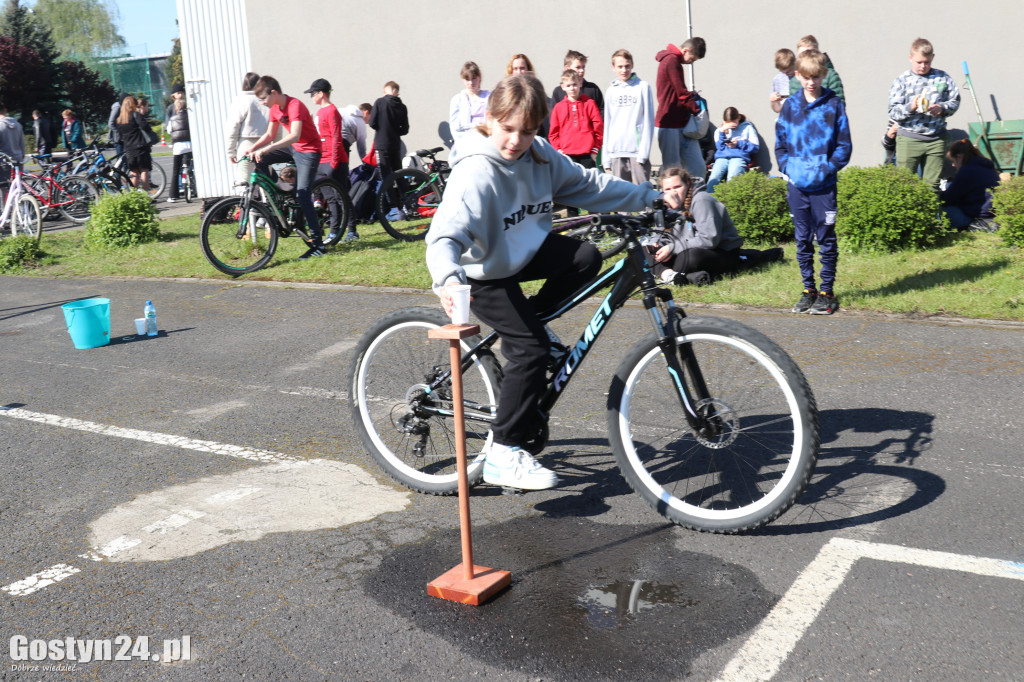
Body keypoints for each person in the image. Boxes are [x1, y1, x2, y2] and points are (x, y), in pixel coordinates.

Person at [425, 74, 683, 491]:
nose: (516, 141)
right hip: (480, 271)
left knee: (586, 257)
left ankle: (533, 327)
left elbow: (587, 184)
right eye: (508, 128)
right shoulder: (475, 172)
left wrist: (646, 196)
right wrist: (449, 281)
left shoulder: (540, 155)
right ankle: (502, 454)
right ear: (490, 118)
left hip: (519, 252)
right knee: (530, 351)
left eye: (527, 131)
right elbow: (443, 238)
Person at [775, 49, 851, 316]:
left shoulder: (834, 105)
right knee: (802, 239)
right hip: (797, 186)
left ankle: (827, 291)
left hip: (824, 187)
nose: (811, 82)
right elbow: (780, 143)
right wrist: (788, 168)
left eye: (816, 77)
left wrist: (828, 168)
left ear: (824, 75)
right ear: (797, 75)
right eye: (806, 77)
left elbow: (844, 145)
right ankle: (809, 289)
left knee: (826, 238)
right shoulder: (790, 106)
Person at [249, 75, 326, 260]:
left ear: (274, 93)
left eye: (264, 98)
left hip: (309, 151)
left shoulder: (294, 105)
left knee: (303, 194)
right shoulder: (274, 108)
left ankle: (318, 245)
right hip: (293, 149)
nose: (263, 103)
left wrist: (269, 148)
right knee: (260, 159)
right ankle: (282, 196)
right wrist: (253, 148)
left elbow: (295, 135)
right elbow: (270, 134)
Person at [648, 167, 744, 284]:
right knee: (643, 251)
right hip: (681, 249)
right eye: (667, 189)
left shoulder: (702, 200)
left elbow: (709, 240)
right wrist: (656, 245)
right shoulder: (665, 204)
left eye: (677, 187)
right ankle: (671, 275)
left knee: (689, 258)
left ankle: (667, 272)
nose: (673, 192)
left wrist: (672, 249)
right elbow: (658, 232)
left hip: (719, 251)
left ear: (688, 184)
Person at [888, 37, 960, 191]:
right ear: (910, 58)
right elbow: (893, 111)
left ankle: (930, 208)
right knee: (904, 186)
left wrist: (942, 108)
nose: (923, 66)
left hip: (936, 139)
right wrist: (911, 107)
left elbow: (955, 101)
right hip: (909, 139)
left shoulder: (942, 78)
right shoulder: (902, 81)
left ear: (932, 57)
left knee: (932, 187)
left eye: (926, 62)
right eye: (919, 62)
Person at [305, 77, 355, 243]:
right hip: (322, 160)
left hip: (335, 161)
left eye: (313, 93)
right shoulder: (320, 112)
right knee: (330, 198)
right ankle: (334, 232)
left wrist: (334, 162)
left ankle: (352, 230)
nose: (311, 97)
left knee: (341, 197)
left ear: (321, 93)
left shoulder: (332, 111)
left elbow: (335, 137)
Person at [654, 37, 706, 178]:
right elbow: (681, 93)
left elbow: (678, 92)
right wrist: (698, 111)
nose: (691, 63)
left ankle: (695, 193)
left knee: (698, 167)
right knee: (672, 171)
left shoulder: (673, 61)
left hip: (682, 124)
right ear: (685, 51)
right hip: (669, 124)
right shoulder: (671, 61)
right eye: (692, 59)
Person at [602, 49, 654, 184]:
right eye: (620, 66)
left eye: (627, 66)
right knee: (622, 192)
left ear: (632, 65)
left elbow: (648, 121)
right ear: (613, 67)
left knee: (643, 191)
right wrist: (606, 157)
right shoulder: (611, 91)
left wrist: (643, 153)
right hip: (616, 152)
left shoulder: (642, 87)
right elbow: (608, 124)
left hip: (636, 151)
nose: (624, 70)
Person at [368, 81, 409, 221]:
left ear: (384, 91)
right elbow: (405, 129)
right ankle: (408, 205)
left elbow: (372, 123)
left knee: (386, 176)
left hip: (382, 144)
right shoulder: (402, 106)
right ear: (397, 92)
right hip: (395, 144)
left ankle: (394, 209)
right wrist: (395, 131)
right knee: (399, 174)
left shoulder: (379, 102)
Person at [548, 70, 603, 169]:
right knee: (569, 179)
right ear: (563, 87)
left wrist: (595, 150)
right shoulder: (558, 107)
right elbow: (553, 133)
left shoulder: (590, 104)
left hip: (587, 154)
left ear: (580, 84)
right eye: (568, 85)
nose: (572, 88)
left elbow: (598, 128)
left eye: (574, 84)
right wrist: (559, 151)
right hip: (567, 155)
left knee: (588, 179)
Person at [940, 139, 1000, 230]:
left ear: (959, 157)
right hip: (992, 215)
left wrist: (937, 194)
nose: (953, 165)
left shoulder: (966, 171)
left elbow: (948, 199)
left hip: (976, 217)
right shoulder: (986, 166)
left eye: (953, 161)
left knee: (941, 207)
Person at [226, 72, 270, 188]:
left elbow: (233, 127)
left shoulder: (241, 100)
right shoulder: (266, 100)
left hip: (246, 145)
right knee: (266, 184)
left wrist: (231, 151)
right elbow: (275, 123)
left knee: (245, 183)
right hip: (265, 144)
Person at [706, 107, 759, 192]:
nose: (732, 127)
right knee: (714, 178)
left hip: (739, 157)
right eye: (728, 123)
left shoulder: (747, 128)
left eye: (734, 123)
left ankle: (730, 199)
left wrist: (738, 143)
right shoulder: (719, 130)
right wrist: (722, 132)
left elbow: (755, 147)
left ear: (738, 118)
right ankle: (708, 198)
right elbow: (720, 148)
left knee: (732, 178)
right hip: (722, 158)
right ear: (724, 121)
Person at [114, 95, 155, 193]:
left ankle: (134, 194)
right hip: (141, 147)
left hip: (129, 149)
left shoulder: (120, 120)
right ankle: (145, 195)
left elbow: (120, 136)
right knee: (144, 171)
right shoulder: (135, 115)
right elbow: (145, 127)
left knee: (134, 172)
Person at [787, 35, 845, 103]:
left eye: (810, 53)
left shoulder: (831, 76)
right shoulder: (794, 80)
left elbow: (838, 103)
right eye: (802, 55)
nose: (807, 58)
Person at [550, 49, 604, 116]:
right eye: (578, 67)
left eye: (583, 67)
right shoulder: (558, 91)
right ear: (567, 68)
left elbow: (601, 112)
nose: (582, 70)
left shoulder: (593, 88)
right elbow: (554, 116)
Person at [449, 61, 490, 143]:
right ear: (463, 80)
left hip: (486, 140)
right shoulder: (457, 100)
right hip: (465, 141)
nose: (471, 83)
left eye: (474, 78)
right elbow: (454, 127)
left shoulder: (489, 97)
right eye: (467, 79)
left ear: (479, 78)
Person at [165, 98, 192, 203]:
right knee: (192, 167)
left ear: (176, 108)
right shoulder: (190, 117)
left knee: (176, 171)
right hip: (190, 145)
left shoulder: (172, 119)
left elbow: (169, 130)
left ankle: (173, 196)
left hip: (178, 147)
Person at [769, 49, 796, 115]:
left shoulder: (804, 76)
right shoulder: (778, 79)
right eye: (784, 72)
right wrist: (774, 101)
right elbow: (777, 109)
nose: (787, 74)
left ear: (795, 62)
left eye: (789, 71)